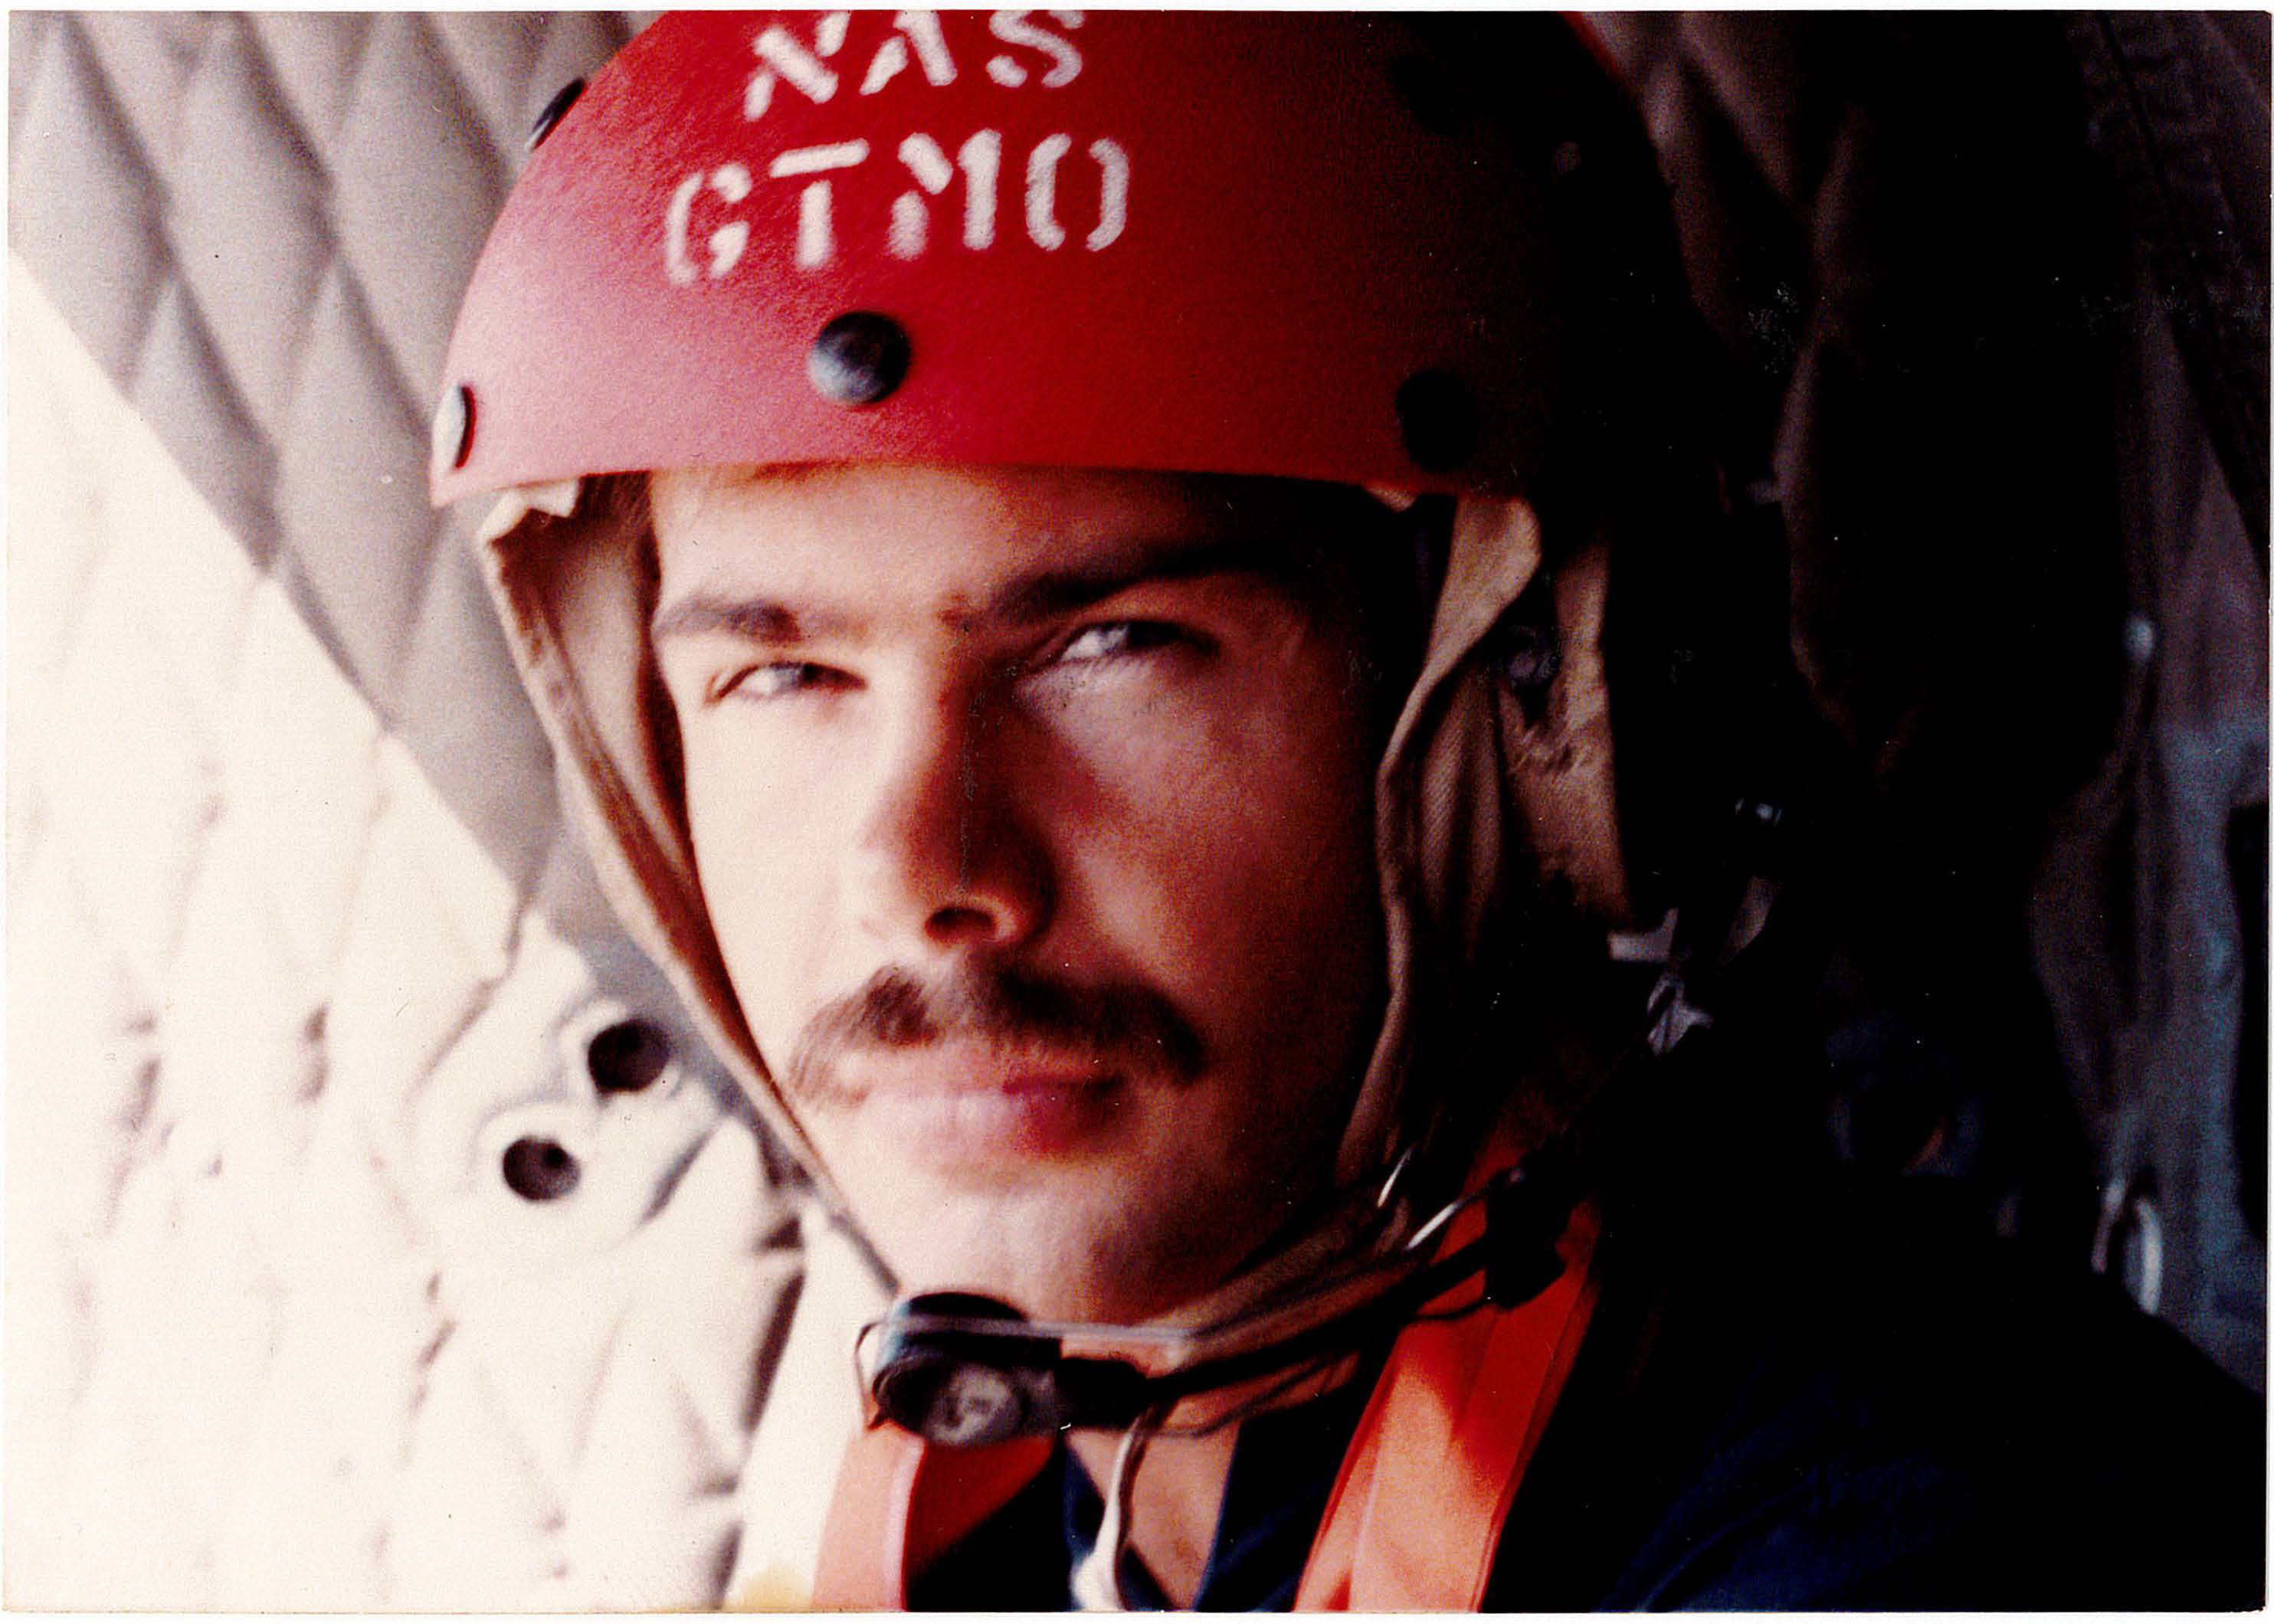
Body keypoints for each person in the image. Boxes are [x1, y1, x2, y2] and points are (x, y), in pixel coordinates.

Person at [432, 12, 2262, 1609]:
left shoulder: (1937, 1542)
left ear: (1550, 723)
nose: (925, 873)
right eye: (782, 678)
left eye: (1110, 644)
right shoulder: (1044, 1493)